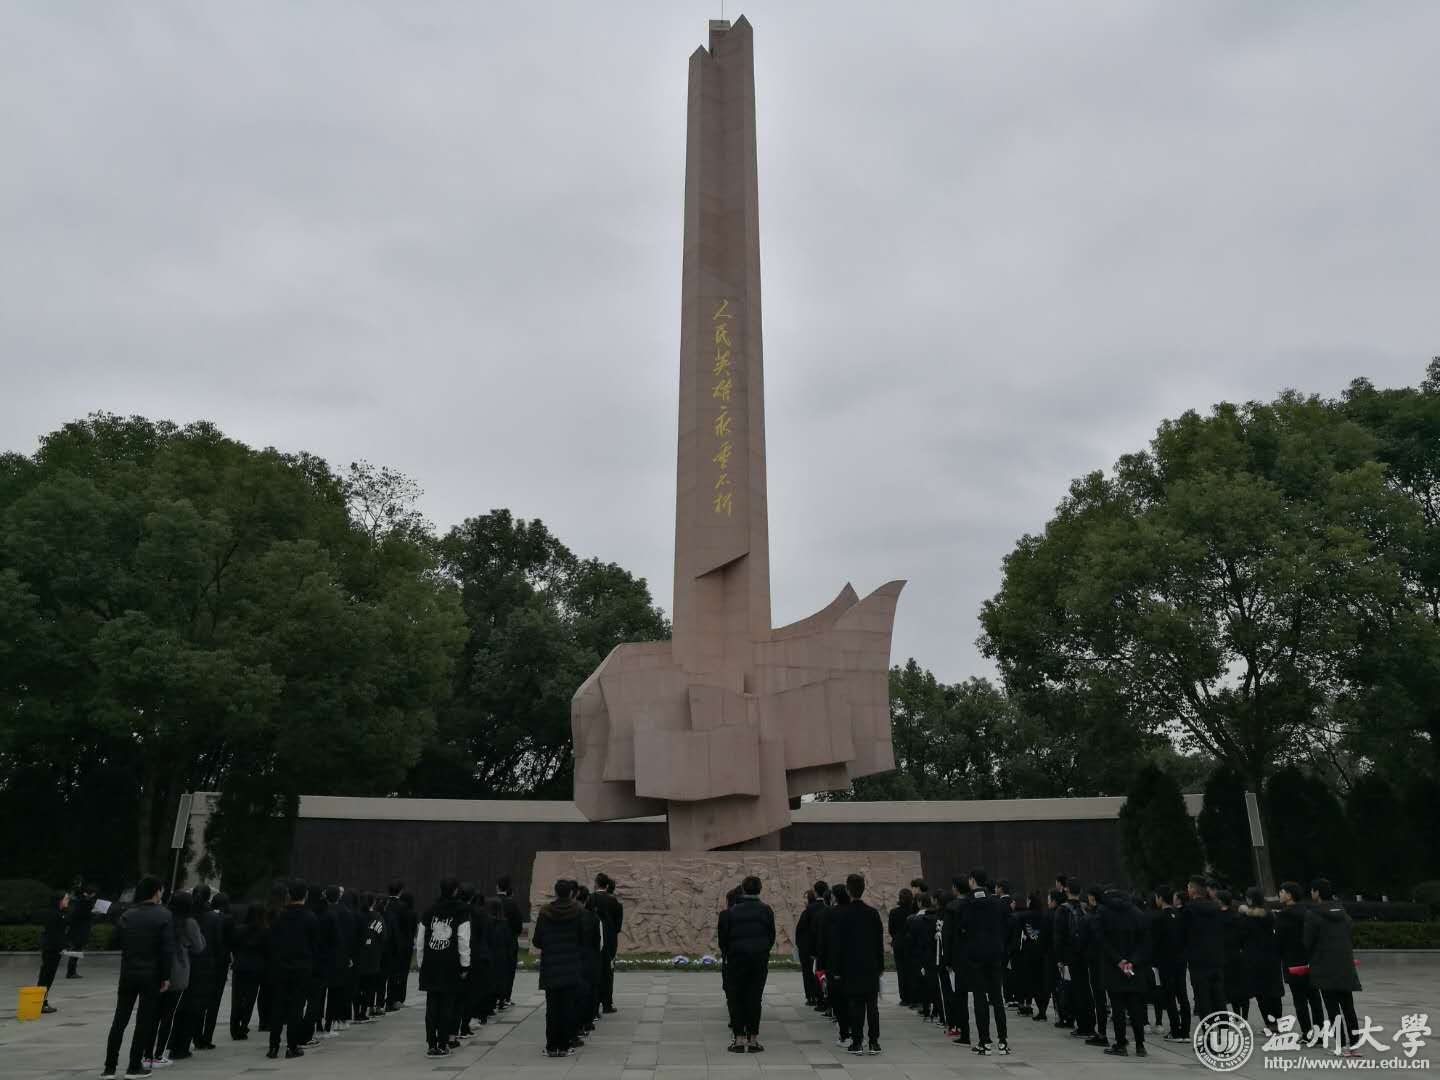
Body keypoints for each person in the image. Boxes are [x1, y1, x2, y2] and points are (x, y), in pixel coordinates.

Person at [101, 875, 175, 1080]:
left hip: (128, 973)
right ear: (156, 892)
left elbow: (113, 941)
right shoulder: (164, 915)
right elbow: (167, 949)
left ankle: (109, 1068)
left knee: (120, 1019)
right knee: (144, 1021)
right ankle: (134, 1066)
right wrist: (166, 976)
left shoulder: (127, 915)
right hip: (151, 975)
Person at [717, 874, 776, 1054]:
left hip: (736, 959)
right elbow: (771, 936)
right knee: (754, 998)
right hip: (758, 959)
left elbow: (723, 940)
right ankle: (753, 1039)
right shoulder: (766, 910)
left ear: (743, 889)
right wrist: (762, 951)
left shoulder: (728, 913)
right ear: (760, 890)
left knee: (736, 998)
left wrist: (729, 953)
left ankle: (739, 1038)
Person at [1304, 878, 1362, 1056]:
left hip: (1324, 966)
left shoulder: (1313, 914)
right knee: (1348, 1007)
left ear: (1317, 892)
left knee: (1332, 1008)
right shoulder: (1343, 913)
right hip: (1345, 965)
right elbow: (1349, 933)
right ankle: (1354, 1046)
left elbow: (1307, 942)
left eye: (1312, 890)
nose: (1311, 893)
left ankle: (1341, 1046)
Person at [829, 873, 885, 1056]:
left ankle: (857, 1042)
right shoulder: (872, 913)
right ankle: (874, 1042)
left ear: (848, 890)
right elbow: (878, 942)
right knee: (872, 1006)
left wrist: (837, 969)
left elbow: (838, 945)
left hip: (851, 966)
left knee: (855, 1005)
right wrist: (880, 966)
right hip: (871, 965)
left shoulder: (843, 914)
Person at [959, 868, 1011, 1056]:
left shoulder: (967, 902)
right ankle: (1003, 1042)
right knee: (997, 998)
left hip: (975, 955)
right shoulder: (996, 901)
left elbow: (963, 927)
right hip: (995, 953)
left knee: (980, 998)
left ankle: (985, 1042)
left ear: (972, 880)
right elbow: (1005, 925)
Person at [267, 879, 318, 1060]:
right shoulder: (310, 918)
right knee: (296, 1007)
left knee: (278, 1006)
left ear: (289, 894)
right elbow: (314, 945)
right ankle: (292, 1046)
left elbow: (272, 942)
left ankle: (273, 1046)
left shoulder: (279, 917)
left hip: (281, 967)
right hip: (302, 968)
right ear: (305, 895)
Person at [151, 890, 203, 1067]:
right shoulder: (189, 922)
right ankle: (158, 1054)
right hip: (178, 971)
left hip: (157, 969)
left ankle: (147, 1053)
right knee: (168, 1015)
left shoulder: (163, 917)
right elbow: (199, 946)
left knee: (154, 1014)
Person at [532, 878, 583, 1057]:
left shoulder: (545, 912)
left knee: (552, 1008)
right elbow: (583, 938)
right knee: (568, 1007)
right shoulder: (578, 911)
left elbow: (537, 940)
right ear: (571, 893)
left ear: (555, 892)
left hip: (551, 965)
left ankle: (551, 1046)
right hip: (570, 964)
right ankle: (565, 1045)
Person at [1097, 888, 1151, 1057]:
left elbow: (1102, 941)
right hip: (1134, 968)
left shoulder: (1104, 914)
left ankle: (1121, 1044)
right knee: (1136, 1007)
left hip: (1114, 967)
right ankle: (1140, 1045)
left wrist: (1119, 960)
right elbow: (1145, 943)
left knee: (1117, 1007)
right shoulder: (1138, 914)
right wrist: (1132, 962)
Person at [1276, 880, 1322, 1038]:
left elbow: (1279, 941)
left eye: (1282, 892)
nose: (1279, 894)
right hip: (1310, 960)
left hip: (1292, 962)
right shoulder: (1308, 912)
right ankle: (1319, 1033)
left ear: (1289, 895)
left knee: (1300, 999)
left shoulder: (1283, 915)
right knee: (1314, 998)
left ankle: (1307, 1032)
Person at [1181, 874, 1225, 1028]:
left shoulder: (1189, 909)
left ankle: (1209, 1034)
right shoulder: (1216, 907)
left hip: (1198, 960)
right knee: (1219, 997)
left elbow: (1184, 934)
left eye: (1188, 887)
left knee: (1203, 999)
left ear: (1193, 890)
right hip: (1216, 957)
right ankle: (1224, 1032)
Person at [1239, 887, 1283, 1034]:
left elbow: (1241, 936)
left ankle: (1269, 1025)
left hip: (1254, 958)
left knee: (1261, 994)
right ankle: (1277, 1024)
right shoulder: (1269, 914)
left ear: (1250, 899)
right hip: (1272, 957)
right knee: (1274, 993)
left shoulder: (1246, 917)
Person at [1151, 887, 1190, 1042]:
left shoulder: (1159, 918)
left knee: (1169, 995)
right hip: (1181, 960)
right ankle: (1185, 1031)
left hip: (1165, 961)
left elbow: (1155, 941)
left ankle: (1175, 1030)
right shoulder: (1180, 915)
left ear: (1160, 898)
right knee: (1182, 995)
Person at [197, 891, 232, 1048]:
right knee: (214, 1003)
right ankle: (207, 1037)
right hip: (219, 964)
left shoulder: (203, 917)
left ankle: (197, 1035)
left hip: (203, 962)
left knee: (201, 1001)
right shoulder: (226, 919)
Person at [229, 901, 268, 1041]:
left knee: (237, 998)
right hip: (256, 968)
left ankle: (234, 1027)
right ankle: (243, 1026)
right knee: (250, 999)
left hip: (240, 966)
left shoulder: (239, 929)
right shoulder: (265, 931)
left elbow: (233, 946)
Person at [591, 873, 623, 1014]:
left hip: (593, 941)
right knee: (608, 972)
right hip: (610, 941)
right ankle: (607, 1004)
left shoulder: (590, 899)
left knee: (594, 972)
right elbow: (618, 927)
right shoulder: (615, 902)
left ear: (596, 883)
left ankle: (594, 1003)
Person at [36, 890, 69, 1014]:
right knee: (46, 976)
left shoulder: (59, 913)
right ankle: (41, 1003)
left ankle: (41, 1002)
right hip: (51, 949)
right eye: (66, 899)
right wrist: (61, 947)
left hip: (53, 948)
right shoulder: (54, 914)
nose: (68, 901)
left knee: (47, 976)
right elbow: (54, 934)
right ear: (59, 900)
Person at [383, 882, 415, 1011]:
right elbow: (407, 928)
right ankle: (394, 1000)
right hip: (401, 945)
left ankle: (383, 1001)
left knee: (385, 974)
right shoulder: (403, 907)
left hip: (385, 943)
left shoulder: (385, 904)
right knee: (398, 974)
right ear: (401, 891)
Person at [495, 876, 524, 1010]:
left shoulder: (492, 902)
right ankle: (505, 997)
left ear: (497, 887)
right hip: (509, 940)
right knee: (508, 969)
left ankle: (495, 997)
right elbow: (518, 924)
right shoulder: (512, 904)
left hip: (494, 941)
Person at [888, 888, 915, 1008]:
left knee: (901, 971)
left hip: (898, 942)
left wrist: (896, 937)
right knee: (911, 970)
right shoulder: (913, 912)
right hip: (911, 943)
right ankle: (913, 996)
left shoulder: (894, 912)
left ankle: (904, 997)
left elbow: (891, 929)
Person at [65, 882, 97, 979]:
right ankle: (71, 972)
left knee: (76, 950)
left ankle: (71, 971)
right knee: (76, 951)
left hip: (76, 930)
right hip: (80, 930)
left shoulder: (80, 901)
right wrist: (94, 913)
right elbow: (85, 915)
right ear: (92, 893)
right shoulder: (85, 902)